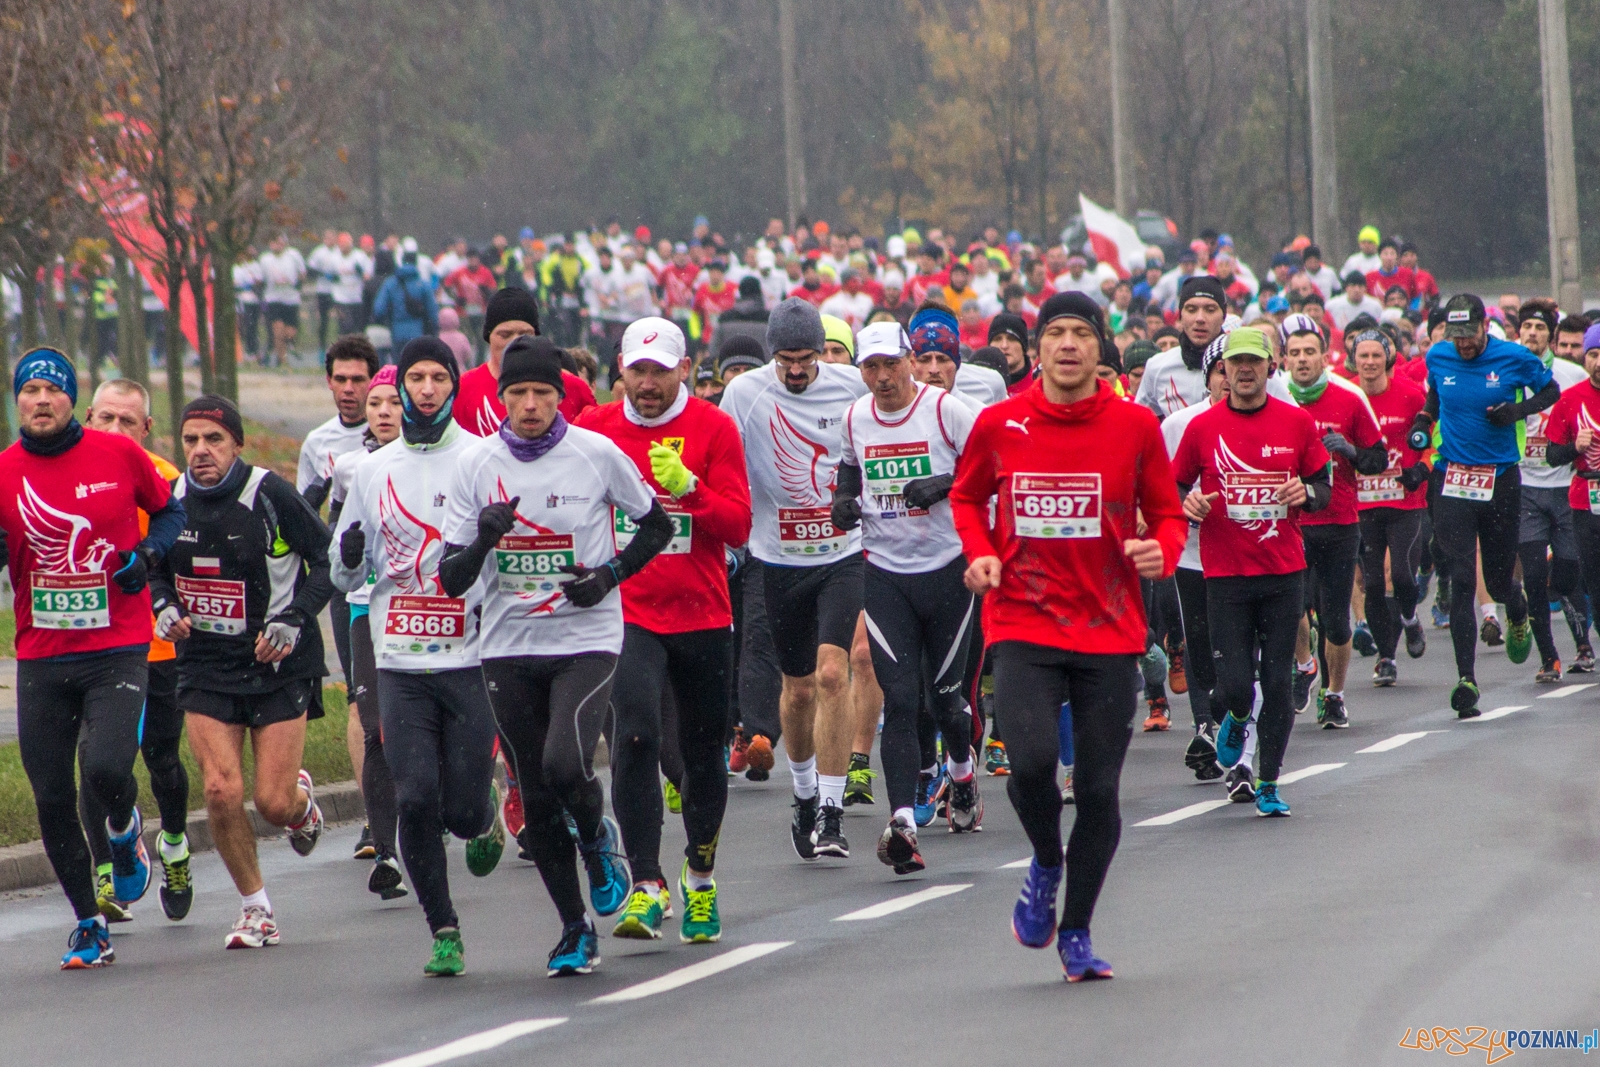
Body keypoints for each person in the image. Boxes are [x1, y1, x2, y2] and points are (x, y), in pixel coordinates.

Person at [951, 292, 1185, 980]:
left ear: (1100, 348)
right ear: (1040, 346)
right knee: (1027, 764)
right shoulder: (1000, 422)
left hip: (1109, 627)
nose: (1068, 344)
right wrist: (979, 551)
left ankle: (1076, 928)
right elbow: (967, 496)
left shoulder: (1136, 426)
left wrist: (1162, 551)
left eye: (1082, 332)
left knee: (1100, 789)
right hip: (1022, 616)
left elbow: (1167, 513)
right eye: (1055, 332)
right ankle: (1045, 859)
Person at [440, 335, 672, 977]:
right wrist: (484, 539)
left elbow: (658, 526)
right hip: (508, 646)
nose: (532, 405)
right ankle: (575, 928)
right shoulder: (475, 464)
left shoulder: (596, 454)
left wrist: (609, 576)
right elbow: (451, 580)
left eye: (543, 393)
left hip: (586, 639)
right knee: (537, 796)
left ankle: (599, 839)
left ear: (562, 395)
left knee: (565, 763)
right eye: (519, 394)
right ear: (502, 397)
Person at [1, 348, 185, 968]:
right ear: (17, 400)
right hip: (42, 654)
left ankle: (125, 828)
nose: (42, 401)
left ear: (71, 400)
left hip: (117, 646)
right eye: (31, 392)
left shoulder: (118, 455)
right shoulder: (4, 471)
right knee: (51, 794)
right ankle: (88, 921)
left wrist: (149, 558)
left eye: (53, 391)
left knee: (106, 768)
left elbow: (169, 511)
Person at [331, 338, 506, 977]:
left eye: (438, 377)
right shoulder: (371, 470)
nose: (426, 389)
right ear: (400, 388)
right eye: (416, 379)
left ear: (453, 387)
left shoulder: (484, 460)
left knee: (459, 810)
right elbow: (345, 577)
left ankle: (485, 816)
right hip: (399, 663)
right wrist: (348, 555)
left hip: (469, 661)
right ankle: (444, 929)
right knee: (414, 799)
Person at [576, 318, 751, 942]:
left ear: (684, 370)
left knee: (702, 756)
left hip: (703, 613)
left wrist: (691, 489)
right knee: (636, 737)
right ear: (619, 369)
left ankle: (699, 879)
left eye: (660, 371)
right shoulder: (595, 429)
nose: (647, 385)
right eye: (637, 371)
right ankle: (647, 884)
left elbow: (738, 527)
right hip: (628, 612)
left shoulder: (714, 427)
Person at [149, 396, 333, 950]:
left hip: (276, 662)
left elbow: (328, 562)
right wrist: (164, 607)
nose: (200, 452)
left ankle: (301, 805)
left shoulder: (269, 494)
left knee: (273, 805)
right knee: (220, 790)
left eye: (213, 440)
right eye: (190, 441)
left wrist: (295, 619)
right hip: (205, 665)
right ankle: (256, 908)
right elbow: (154, 566)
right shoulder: (172, 500)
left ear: (236, 444)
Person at [719, 298, 869, 859]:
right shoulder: (744, 394)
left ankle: (831, 813)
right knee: (799, 687)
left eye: (806, 358)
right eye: (786, 360)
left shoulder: (850, 387)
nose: (798, 370)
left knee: (834, 673)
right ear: (771, 356)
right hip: (777, 558)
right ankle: (804, 796)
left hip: (842, 554)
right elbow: (723, 460)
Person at [830, 322, 980, 874]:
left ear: (910, 361)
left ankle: (962, 777)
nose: (882, 377)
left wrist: (944, 483)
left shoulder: (945, 411)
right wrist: (842, 504)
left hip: (948, 571)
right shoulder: (855, 417)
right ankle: (903, 824)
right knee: (901, 701)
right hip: (886, 572)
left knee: (946, 699)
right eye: (870, 368)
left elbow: (994, 467)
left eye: (891, 365)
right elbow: (848, 474)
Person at [1173, 326, 1333, 817]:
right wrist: (1189, 502)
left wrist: (1306, 493)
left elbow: (1323, 483)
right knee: (1235, 684)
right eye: (1234, 364)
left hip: (1283, 573)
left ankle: (1268, 781)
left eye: (1254, 362)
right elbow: (1173, 489)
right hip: (1224, 575)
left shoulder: (1296, 422)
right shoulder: (1201, 428)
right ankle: (1238, 716)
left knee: (1278, 681)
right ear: (1222, 371)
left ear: (1270, 366)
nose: (1244, 371)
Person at [1408, 294, 1560, 716]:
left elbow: (1550, 390)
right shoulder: (1438, 357)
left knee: (1495, 580)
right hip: (1453, 476)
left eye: (1470, 336)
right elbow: (1434, 399)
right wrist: (1424, 419)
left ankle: (1516, 605)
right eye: (1455, 337)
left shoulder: (1512, 356)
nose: (1463, 345)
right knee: (1459, 577)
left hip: (1500, 479)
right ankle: (1466, 680)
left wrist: (1517, 410)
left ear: (1485, 327)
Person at [78, 381, 192, 924]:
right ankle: (107, 868)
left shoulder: (166, 480)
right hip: (88, 643)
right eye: (106, 419)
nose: (116, 431)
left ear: (146, 429)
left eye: (129, 422)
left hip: (155, 643)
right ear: (88, 417)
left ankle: (174, 844)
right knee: (96, 763)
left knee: (162, 758)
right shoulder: (67, 475)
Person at [1280, 315, 1386, 730]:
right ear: (1283, 358)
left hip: (1339, 522)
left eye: (1310, 352)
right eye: (1295, 353)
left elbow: (1377, 461)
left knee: (1337, 616)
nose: (1303, 360)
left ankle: (1335, 695)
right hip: (1290, 524)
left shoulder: (1350, 395)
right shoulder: (1275, 399)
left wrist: (1351, 450)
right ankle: (1305, 666)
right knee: (1290, 607)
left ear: (1325, 355)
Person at [325, 364, 405, 894]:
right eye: (375, 404)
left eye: (391, 403)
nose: (381, 412)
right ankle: (387, 848)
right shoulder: (350, 467)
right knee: (374, 724)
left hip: (428, 609)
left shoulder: (450, 460)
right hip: (363, 606)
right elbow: (336, 543)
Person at [1511, 299, 1588, 682]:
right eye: (1527, 327)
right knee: (1534, 573)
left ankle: (1582, 643)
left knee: (1570, 570)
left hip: (1565, 484)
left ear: (1551, 337)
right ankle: (1549, 657)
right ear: (1518, 332)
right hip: (1524, 486)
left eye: (1540, 329)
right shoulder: (1505, 370)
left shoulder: (1570, 374)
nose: (1533, 334)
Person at [1348, 328, 1430, 685]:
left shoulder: (1412, 397)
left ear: (1388, 359)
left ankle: (1411, 618)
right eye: (1362, 356)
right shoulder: (1348, 394)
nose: (1368, 363)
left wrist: (1421, 468)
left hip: (1405, 499)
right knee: (1372, 585)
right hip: (1362, 502)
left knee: (1399, 575)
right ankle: (1386, 657)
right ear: (1354, 360)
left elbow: (1433, 437)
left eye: (1375, 356)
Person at [454, 287, 597, 436]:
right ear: (488, 337)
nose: (515, 342)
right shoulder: (463, 390)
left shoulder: (573, 388)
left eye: (524, 334)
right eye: (505, 335)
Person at [1541, 324, 1600, 671]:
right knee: (1592, 577)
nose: (1598, 362)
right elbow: (1552, 456)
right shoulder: (1571, 398)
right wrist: (1572, 447)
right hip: (1584, 499)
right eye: (1593, 355)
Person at [372, 252, 440, 352]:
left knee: (399, 364)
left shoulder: (390, 283)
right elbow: (432, 312)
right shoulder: (423, 284)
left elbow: (379, 309)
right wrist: (434, 330)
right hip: (418, 333)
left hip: (396, 333)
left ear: (402, 262)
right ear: (416, 263)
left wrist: (386, 321)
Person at [258, 234, 307, 367]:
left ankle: (290, 345)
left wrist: (297, 283)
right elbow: (260, 278)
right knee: (278, 331)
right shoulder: (265, 259)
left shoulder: (293, 255)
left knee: (290, 333)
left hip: (291, 298)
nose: (277, 246)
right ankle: (282, 361)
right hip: (273, 298)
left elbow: (302, 273)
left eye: (279, 243)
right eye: (274, 243)